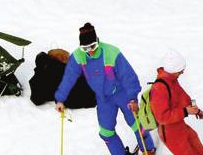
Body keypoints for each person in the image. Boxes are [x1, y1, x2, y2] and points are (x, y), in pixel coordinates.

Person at [54, 23, 155, 155]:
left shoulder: (111, 53)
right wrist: (60, 99)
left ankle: (149, 149)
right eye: (85, 48)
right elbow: (69, 78)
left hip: (123, 93)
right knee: (106, 133)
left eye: (93, 46)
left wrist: (132, 98)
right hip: (103, 99)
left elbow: (129, 77)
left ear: (97, 41)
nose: (90, 50)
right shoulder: (78, 56)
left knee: (136, 124)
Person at [150, 50, 203, 155]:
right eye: (180, 70)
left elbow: (182, 96)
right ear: (173, 69)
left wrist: (195, 108)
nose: (182, 72)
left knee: (199, 149)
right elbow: (162, 117)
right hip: (170, 133)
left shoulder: (172, 79)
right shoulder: (159, 88)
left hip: (180, 125)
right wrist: (185, 111)